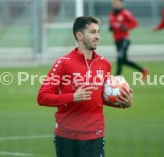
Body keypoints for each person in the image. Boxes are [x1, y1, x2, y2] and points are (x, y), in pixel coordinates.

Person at [37, 16, 132, 157]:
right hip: (67, 135)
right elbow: (42, 97)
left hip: (94, 135)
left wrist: (122, 102)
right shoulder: (63, 63)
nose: (97, 36)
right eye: (93, 32)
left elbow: (99, 97)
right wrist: (72, 97)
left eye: (98, 32)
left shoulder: (104, 64)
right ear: (79, 36)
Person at [109, 0, 148, 79]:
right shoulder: (112, 14)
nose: (115, 4)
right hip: (117, 40)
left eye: (117, 3)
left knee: (119, 58)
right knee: (124, 60)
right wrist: (111, 27)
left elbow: (134, 23)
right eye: (114, 3)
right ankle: (142, 70)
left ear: (121, 4)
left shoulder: (125, 13)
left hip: (124, 39)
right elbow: (112, 24)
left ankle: (116, 78)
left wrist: (126, 27)